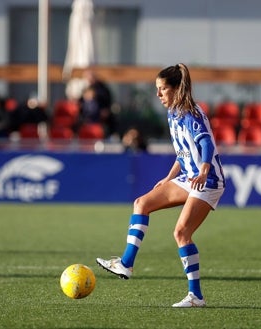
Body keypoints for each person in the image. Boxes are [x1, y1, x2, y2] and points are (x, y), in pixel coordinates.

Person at [96, 64, 225, 308]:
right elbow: (183, 153)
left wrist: (205, 169)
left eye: (163, 89)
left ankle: (196, 296)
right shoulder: (173, 113)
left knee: (181, 233)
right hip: (189, 177)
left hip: (206, 181)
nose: (158, 94)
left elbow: (206, 143)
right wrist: (168, 179)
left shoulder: (190, 114)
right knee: (141, 203)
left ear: (177, 89)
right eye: (157, 89)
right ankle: (126, 263)